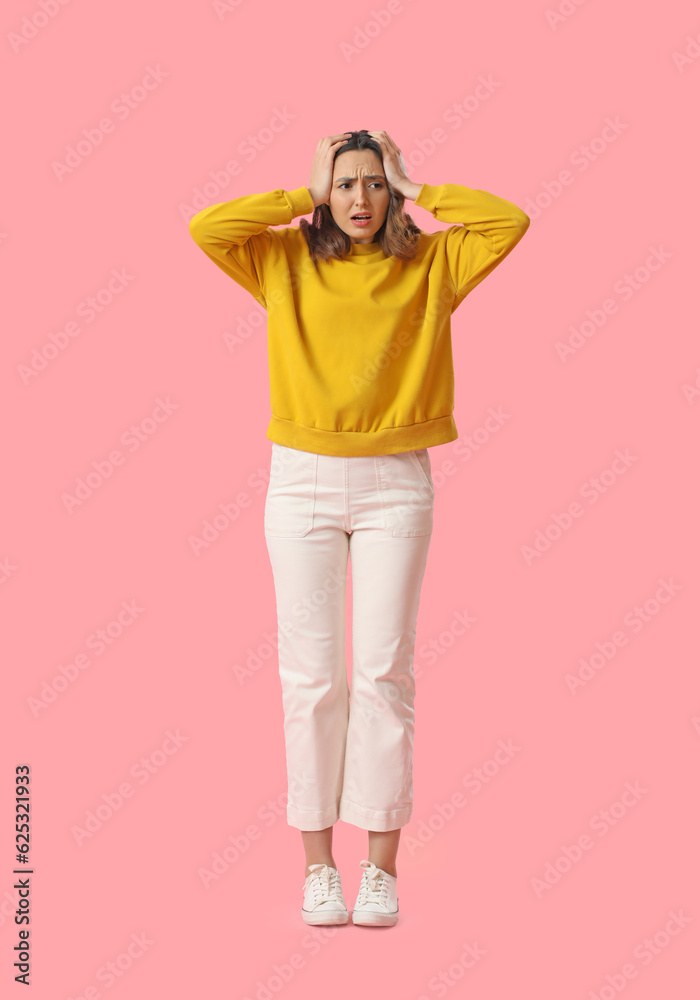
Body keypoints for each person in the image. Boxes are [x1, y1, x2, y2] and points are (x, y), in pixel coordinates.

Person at [188, 129, 530, 927]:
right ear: (324, 190)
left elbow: (507, 222)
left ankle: (379, 869)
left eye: (375, 184)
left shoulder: (436, 264)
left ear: (393, 189)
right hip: (301, 482)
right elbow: (207, 228)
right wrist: (298, 195)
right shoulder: (282, 259)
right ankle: (317, 868)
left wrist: (422, 186)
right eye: (345, 185)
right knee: (311, 680)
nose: (361, 200)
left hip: (396, 484)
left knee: (384, 675)